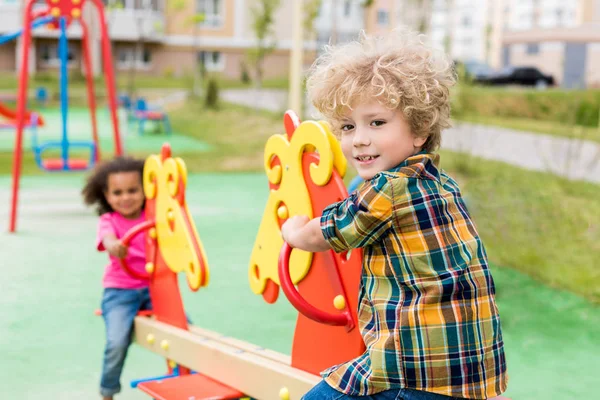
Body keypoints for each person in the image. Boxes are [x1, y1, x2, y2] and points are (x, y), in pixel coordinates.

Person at [281, 29, 508, 400]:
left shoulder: (389, 189)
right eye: (348, 127)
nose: (360, 139)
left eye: (377, 123)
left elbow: (329, 232)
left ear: (419, 129)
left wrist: (294, 232)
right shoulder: (440, 183)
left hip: (414, 369)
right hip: (474, 370)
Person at [82, 156, 149, 400]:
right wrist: (114, 245)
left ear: (146, 190)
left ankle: (187, 377)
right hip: (120, 291)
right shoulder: (109, 220)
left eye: (133, 190)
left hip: (154, 289)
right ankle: (108, 392)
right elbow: (107, 238)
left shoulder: (153, 216)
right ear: (107, 196)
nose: (125, 197)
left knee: (185, 333)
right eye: (117, 192)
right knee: (117, 342)